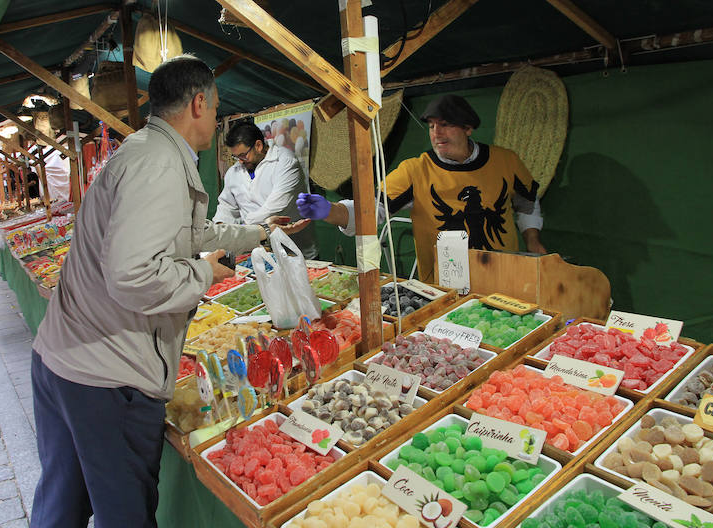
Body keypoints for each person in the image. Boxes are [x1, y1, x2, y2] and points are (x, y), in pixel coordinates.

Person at [29, 54, 309, 528]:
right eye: (217, 108)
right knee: (126, 515)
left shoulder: (145, 151)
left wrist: (256, 235)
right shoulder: (158, 165)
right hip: (107, 375)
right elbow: (134, 275)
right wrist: (205, 275)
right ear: (199, 103)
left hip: (68, 359)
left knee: (63, 504)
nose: (218, 121)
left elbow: (192, 233)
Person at [297, 94, 546, 284]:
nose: (437, 133)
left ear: (468, 128)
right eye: (431, 126)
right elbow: (372, 210)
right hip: (444, 284)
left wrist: (532, 240)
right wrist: (331, 210)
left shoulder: (506, 161)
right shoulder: (415, 170)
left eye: (446, 124)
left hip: (504, 277)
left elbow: (528, 203)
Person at [213, 120, 318, 259]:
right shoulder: (234, 173)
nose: (240, 161)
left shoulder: (285, 161)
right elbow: (227, 207)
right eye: (236, 156)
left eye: (243, 155)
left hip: (294, 251)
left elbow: (275, 208)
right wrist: (220, 229)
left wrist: (241, 230)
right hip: (256, 252)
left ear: (258, 145)